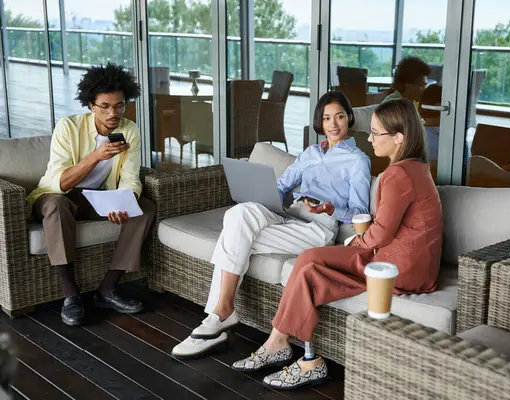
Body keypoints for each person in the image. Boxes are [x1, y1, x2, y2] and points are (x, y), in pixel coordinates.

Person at [232, 99, 444, 390]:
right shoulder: (417, 168)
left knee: (308, 259)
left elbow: (380, 234)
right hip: (412, 266)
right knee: (309, 271)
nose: (369, 139)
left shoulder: (398, 174)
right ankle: (305, 358)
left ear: (399, 137)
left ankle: (278, 344)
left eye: (376, 133)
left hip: (396, 267)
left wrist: (355, 241)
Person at [171, 91, 372, 359]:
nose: (333, 124)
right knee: (240, 215)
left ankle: (217, 317)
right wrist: (263, 194)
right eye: (326, 118)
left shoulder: (358, 161)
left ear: (348, 118)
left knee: (235, 235)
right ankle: (222, 312)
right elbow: (281, 185)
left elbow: (361, 213)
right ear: (319, 122)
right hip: (289, 215)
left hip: (317, 229)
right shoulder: (310, 153)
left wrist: (331, 207)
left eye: (339, 116)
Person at [26, 63, 156, 326]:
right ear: (90, 105)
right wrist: (96, 156)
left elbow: (131, 177)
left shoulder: (129, 130)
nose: (113, 113)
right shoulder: (68, 127)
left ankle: (107, 289)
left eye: (119, 105)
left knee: (145, 207)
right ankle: (71, 296)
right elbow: (60, 181)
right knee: (57, 205)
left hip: (97, 198)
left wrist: (122, 202)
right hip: (55, 194)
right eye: (105, 106)